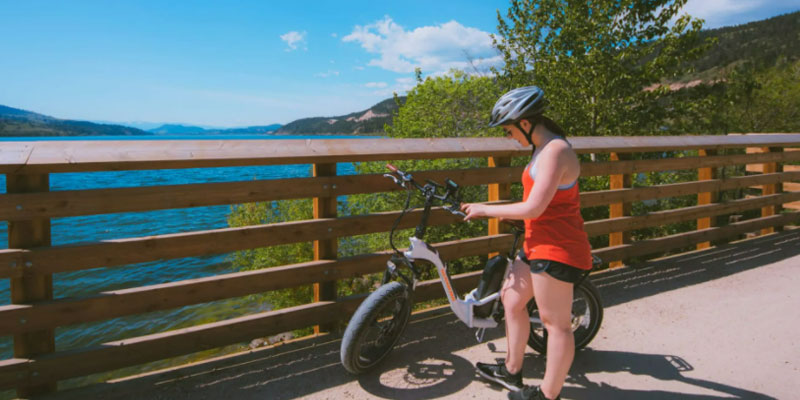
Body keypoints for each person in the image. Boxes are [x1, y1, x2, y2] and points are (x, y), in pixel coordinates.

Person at [461, 86, 593, 400]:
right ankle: (511, 369)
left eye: (508, 130)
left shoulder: (556, 151)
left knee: (555, 323)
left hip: (558, 247)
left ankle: (547, 395)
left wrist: (485, 209)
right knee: (511, 300)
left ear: (524, 122)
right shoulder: (540, 148)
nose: (509, 137)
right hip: (536, 241)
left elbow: (534, 207)